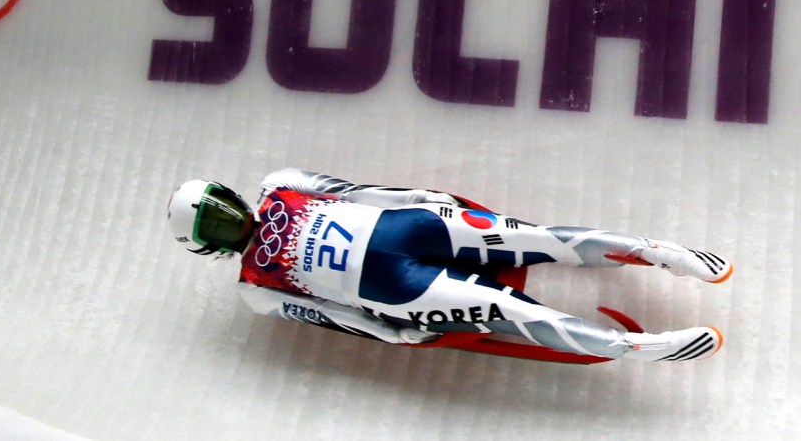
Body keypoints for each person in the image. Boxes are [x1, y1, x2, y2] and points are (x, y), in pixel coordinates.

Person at [166, 168, 732, 362]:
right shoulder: (254, 288)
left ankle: (657, 262)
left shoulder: (278, 189)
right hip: (400, 267)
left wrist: (416, 197)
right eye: (214, 223)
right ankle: (639, 339)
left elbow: (352, 192)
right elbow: (324, 313)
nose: (227, 221)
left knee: (535, 251)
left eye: (218, 211)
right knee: (517, 295)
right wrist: (389, 332)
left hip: (404, 245)